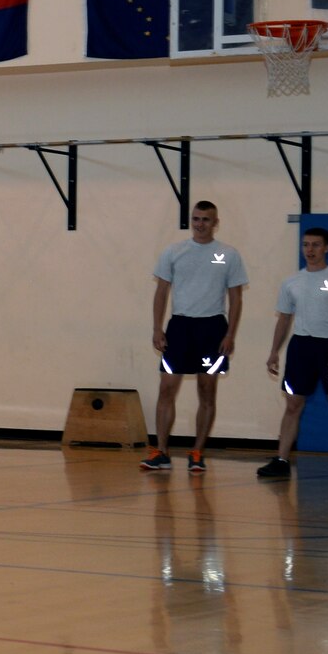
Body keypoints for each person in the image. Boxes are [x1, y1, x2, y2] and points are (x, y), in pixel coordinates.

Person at [144, 200, 247, 473]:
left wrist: (230, 334)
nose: (200, 224)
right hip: (179, 327)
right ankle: (161, 452)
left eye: (206, 219)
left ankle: (198, 452)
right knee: (167, 389)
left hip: (212, 328)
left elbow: (236, 299)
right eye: (196, 219)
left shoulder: (228, 254)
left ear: (216, 223)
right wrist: (157, 328)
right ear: (192, 221)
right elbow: (161, 292)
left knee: (206, 391)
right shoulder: (174, 252)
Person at [258, 227, 328, 482]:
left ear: (326, 248)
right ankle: (282, 460)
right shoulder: (291, 282)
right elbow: (284, 320)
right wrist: (274, 351)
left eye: (316, 245)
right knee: (293, 405)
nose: (310, 250)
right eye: (306, 245)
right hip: (301, 348)